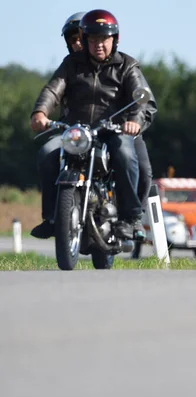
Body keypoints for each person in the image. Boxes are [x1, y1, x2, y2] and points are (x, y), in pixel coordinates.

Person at [30, 9, 157, 241]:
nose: (98, 45)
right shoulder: (71, 64)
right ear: (86, 39)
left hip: (112, 131)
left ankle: (130, 218)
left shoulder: (127, 66)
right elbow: (53, 89)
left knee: (125, 155)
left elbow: (144, 100)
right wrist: (40, 111)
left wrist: (134, 122)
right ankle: (51, 218)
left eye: (104, 39)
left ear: (114, 40)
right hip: (75, 131)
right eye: (93, 39)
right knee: (46, 153)